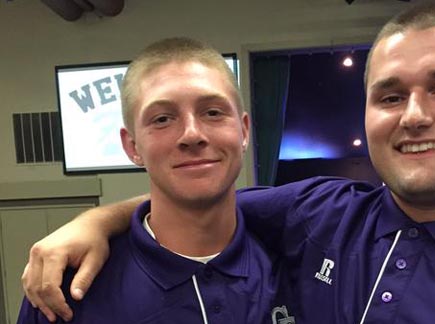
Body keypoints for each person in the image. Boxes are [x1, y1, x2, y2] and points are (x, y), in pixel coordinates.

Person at [22, 4, 435, 323]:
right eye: (388, 96)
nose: (413, 116)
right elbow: (194, 199)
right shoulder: (319, 213)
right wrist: (95, 220)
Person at [17, 37, 292, 324]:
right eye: (162, 119)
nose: (192, 134)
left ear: (244, 131)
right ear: (132, 146)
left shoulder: (303, 265)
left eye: (212, 112)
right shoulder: (63, 290)